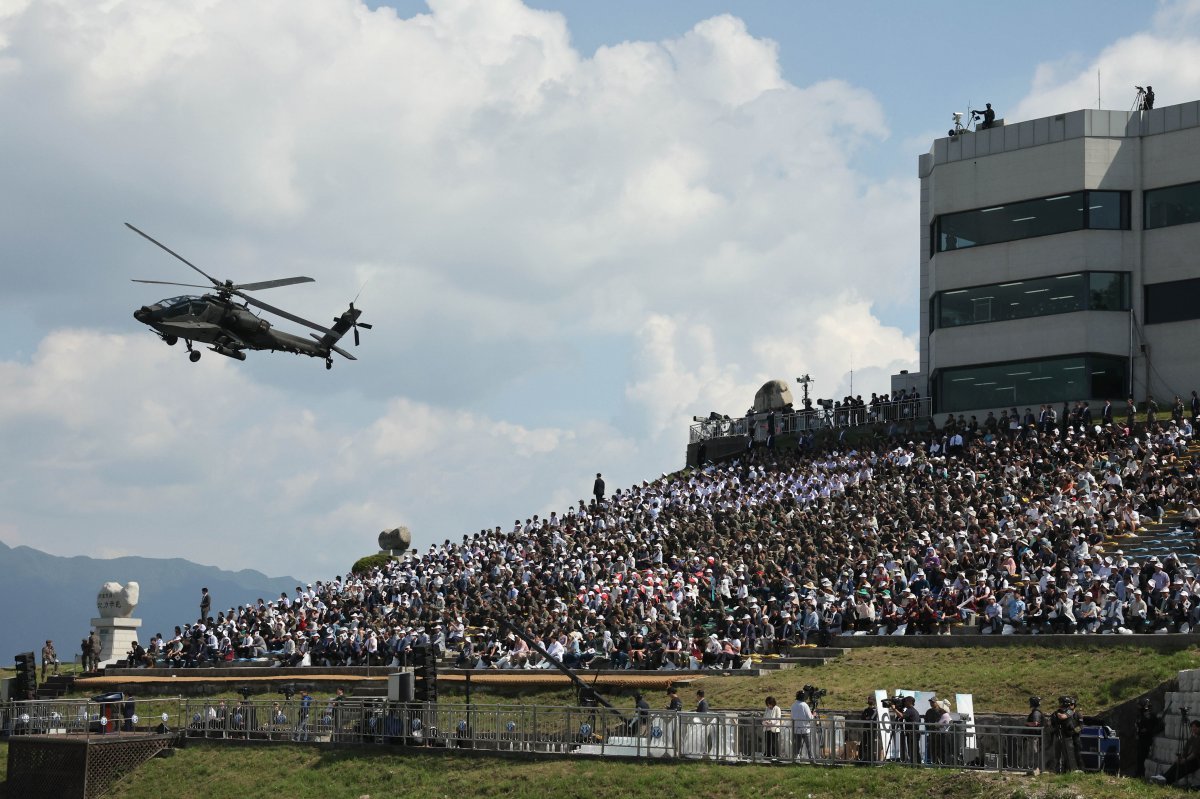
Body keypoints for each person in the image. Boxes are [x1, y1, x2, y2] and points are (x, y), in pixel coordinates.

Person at [1154, 720, 1200, 785]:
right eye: (1192, 727)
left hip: (1195, 761)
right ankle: (1163, 777)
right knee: (1176, 764)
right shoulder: (1192, 737)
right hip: (1188, 759)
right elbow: (1185, 749)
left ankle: (1167, 781)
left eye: (1195, 727)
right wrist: (1181, 757)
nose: (1193, 729)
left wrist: (1185, 760)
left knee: (1181, 768)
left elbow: (1194, 754)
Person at [1135, 698, 1163, 778]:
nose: (1138, 707)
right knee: (1139, 758)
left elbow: (1159, 726)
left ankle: (1142, 774)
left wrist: (1149, 731)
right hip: (1140, 738)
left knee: (1144, 758)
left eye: (1139, 705)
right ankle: (1139, 774)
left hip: (1147, 739)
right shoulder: (1140, 714)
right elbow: (1138, 725)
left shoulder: (1151, 715)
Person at [791, 690, 816, 762]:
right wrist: (813, 715)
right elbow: (809, 717)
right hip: (805, 729)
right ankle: (811, 760)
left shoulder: (793, 705)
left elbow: (792, 717)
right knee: (809, 746)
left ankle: (796, 760)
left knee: (797, 747)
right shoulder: (804, 705)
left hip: (796, 729)